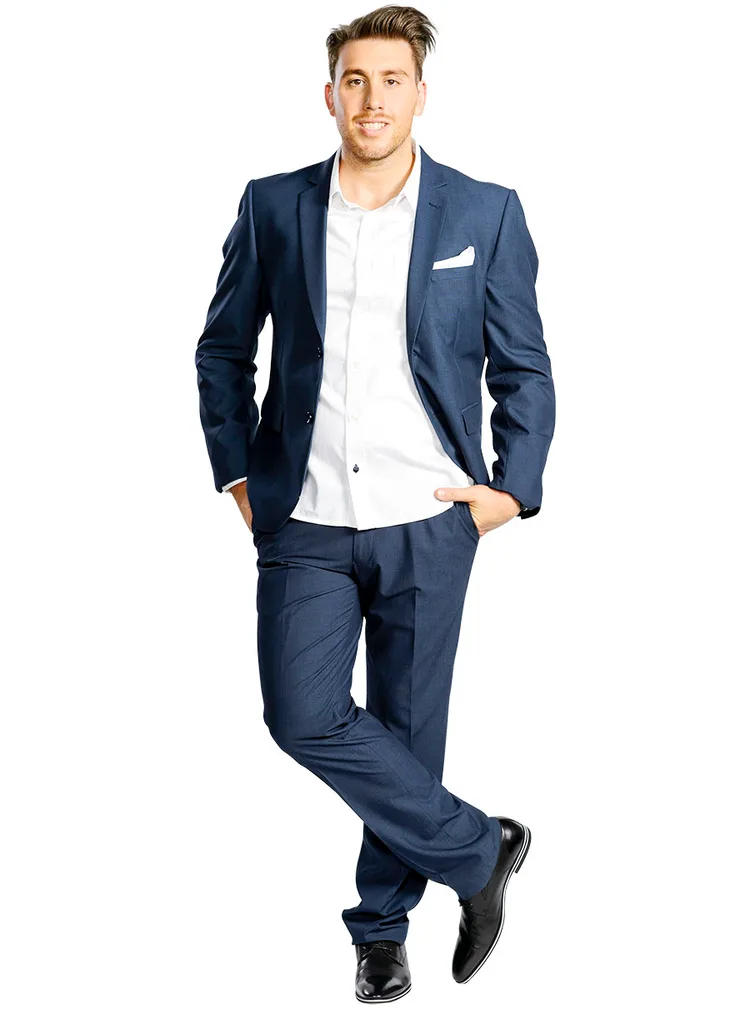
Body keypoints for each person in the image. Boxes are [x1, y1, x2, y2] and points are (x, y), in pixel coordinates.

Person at [195, 4, 555, 1003]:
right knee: (301, 713)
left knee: (406, 726)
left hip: (432, 516)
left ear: (421, 95)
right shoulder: (274, 206)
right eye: (355, 80)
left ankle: (381, 929)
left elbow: (523, 366)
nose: (372, 99)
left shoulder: (483, 212)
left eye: (392, 80)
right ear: (330, 94)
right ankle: (480, 851)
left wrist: (510, 491)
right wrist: (236, 473)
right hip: (303, 517)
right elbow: (222, 349)